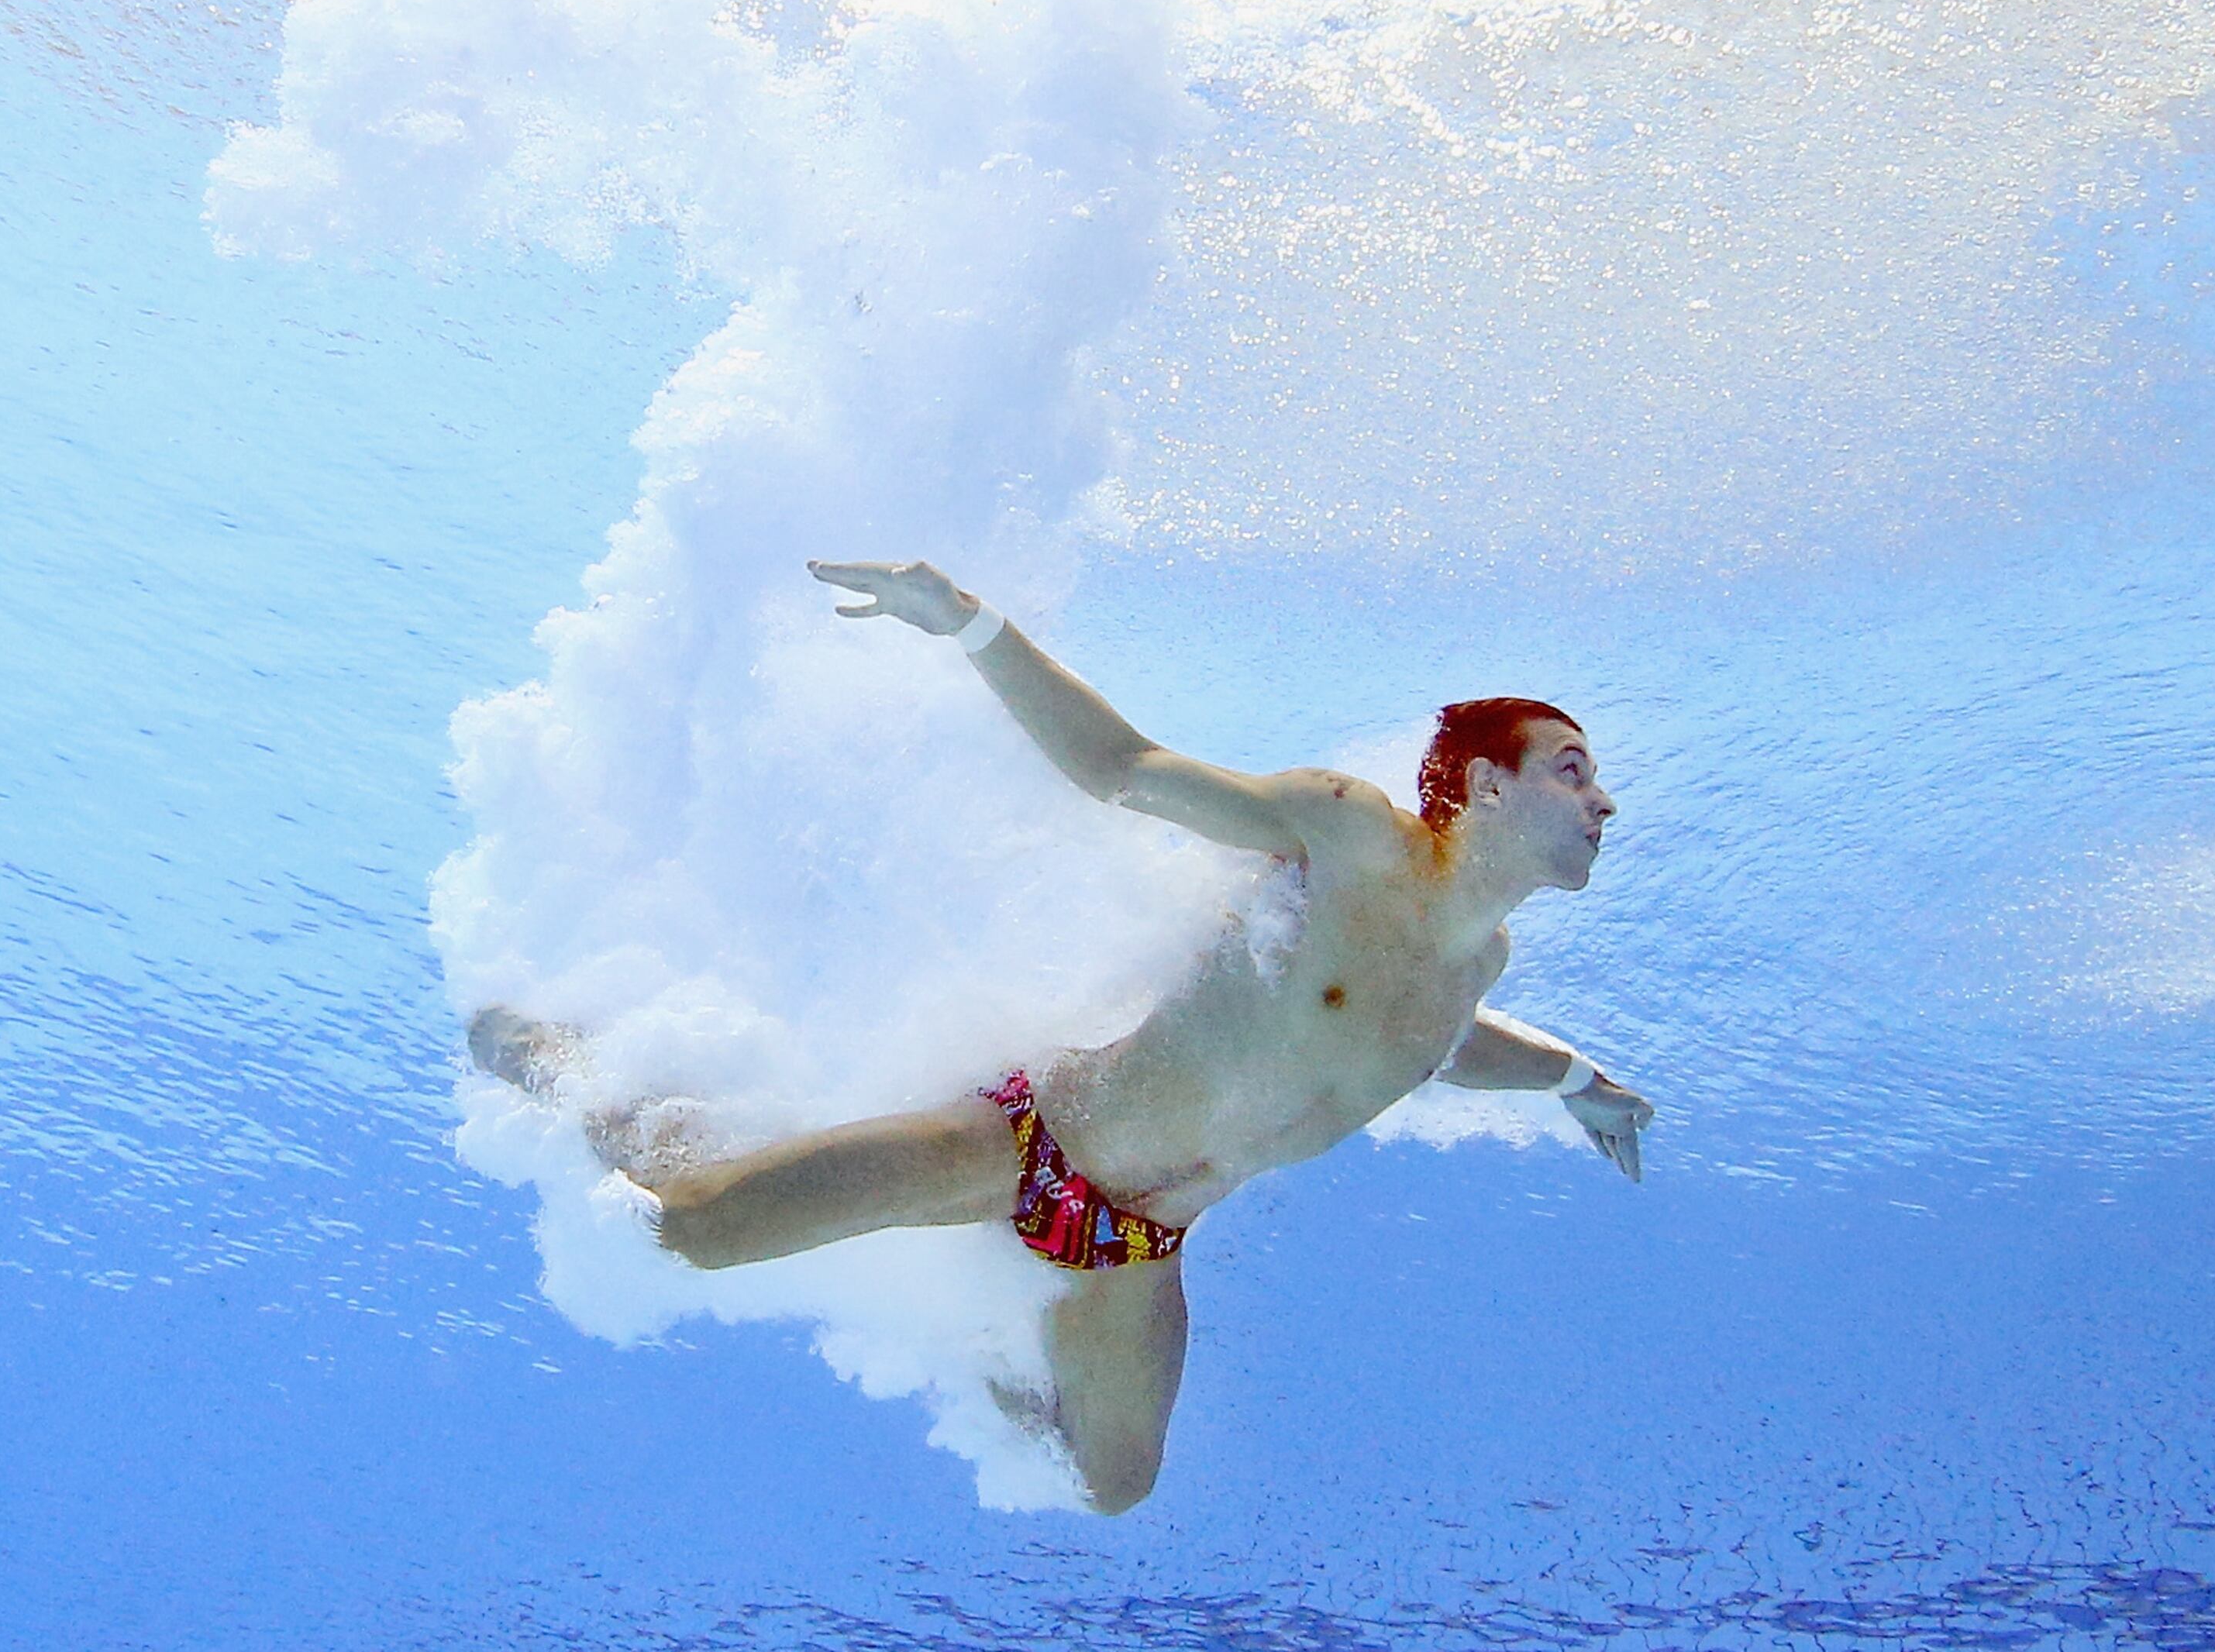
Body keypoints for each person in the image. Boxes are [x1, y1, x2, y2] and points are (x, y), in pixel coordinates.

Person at [468, 558, 1655, 1513]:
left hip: (1134, 1249)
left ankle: (976, 1338)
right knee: (687, 1228)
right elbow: (1125, 768)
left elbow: (1449, 1041)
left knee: (1109, 1484)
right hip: (1029, 1141)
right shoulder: (1346, 836)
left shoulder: (1470, 970)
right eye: (1572, 769)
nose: (1602, 799)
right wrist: (971, 623)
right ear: (1486, 790)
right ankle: (565, 1067)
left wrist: (1578, 1081)